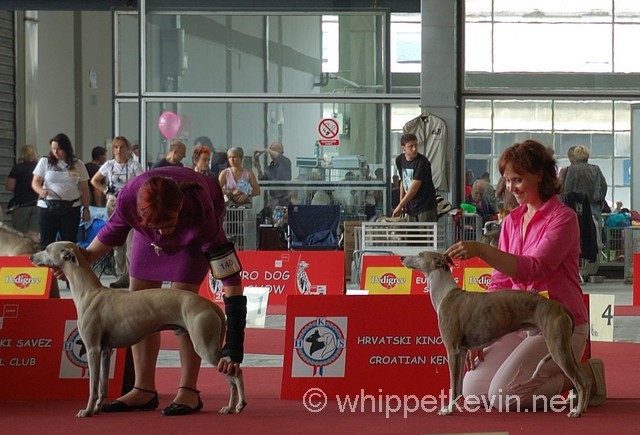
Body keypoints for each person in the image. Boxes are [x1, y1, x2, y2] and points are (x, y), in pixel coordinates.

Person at [444, 139, 606, 412]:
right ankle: (553, 376)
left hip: (558, 324)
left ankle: (583, 377)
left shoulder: (563, 218)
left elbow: (534, 267)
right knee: (473, 390)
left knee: (505, 397)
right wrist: (482, 336)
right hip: (516, 324)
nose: (510, 188)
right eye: (507, 180)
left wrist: (481, 250)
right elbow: (500, 283)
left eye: (517, 179)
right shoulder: (511, 221)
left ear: (540, 175)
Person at [82, 166, 246, 415]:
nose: (163, 233)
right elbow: (108, 235)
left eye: (167, 225)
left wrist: (234, 343)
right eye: (158, 227)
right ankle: (143, 389)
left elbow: (230, 275)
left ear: (179, 207)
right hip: (145, 234)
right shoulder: (129, 200)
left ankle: (188, 390)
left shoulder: (199, 208)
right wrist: (76, 263)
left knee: (183, 305)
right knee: (137, 305)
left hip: (191, 232)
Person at [91, 136, 144, 289]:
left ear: (127, 149)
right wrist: (106, 191)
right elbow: (95, 180)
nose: (119, 150)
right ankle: (120, 274)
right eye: (116, 147)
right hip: (114, 204)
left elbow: (142, 182)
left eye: (122, 147)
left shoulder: (134, 165)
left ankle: (131, 274)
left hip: (131, 204)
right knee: (116, 240)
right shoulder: (108, 165)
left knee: (131, 242)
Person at [31, 133, 91, 249]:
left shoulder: (78, 164)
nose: (56, 152)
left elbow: (84, 188)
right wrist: (41, 191)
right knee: (47, 241)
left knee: (68, 243)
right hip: (48, 206)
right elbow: (35, 182)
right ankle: (47, 266)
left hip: (71, 207)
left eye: (59, 149)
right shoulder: (45, 162)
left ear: (66, 149)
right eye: (53, 148)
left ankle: (66, 266)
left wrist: (86, 209)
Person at [392, 133, 437, 222]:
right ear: (403, 148)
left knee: (425, 234)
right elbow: (403, 182)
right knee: (411, 234)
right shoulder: (400, 160)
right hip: (410, 206)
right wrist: (402, 202)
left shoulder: (422, 162)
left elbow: (414, 187)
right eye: (410, 146)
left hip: (425, 206)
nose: (414, 149)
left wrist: (400, 205)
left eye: (416, 145)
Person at [563, 145, 608, 221]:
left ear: (576, 156)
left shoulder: (571, 170)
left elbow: (568, 189)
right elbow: (604, 185)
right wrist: (600, 197)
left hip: (576, 205)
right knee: (595, 230)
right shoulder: (595, 169)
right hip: (593, 204)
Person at [5, 144, 39, 242]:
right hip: (38, 204)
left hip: (21, 205)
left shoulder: (17, 168)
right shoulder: (40, 168)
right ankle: (32, 254)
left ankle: (21, 256)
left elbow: (9, 186)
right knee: (34, 234)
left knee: (20, 235)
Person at [253, 141, 292, 207]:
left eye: (274, 149)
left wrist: (265, 150)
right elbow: (263, 181)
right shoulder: (270, 168)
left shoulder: (285, 161)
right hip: (274, 199)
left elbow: (278, 156)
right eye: (271, 149)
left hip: (284, 198)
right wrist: (259, 169)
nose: (271, 151)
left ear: (281, 151)